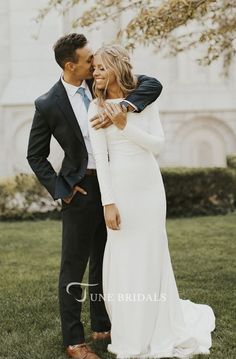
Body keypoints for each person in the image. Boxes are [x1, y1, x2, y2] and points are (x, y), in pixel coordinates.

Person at [27, 33, 163, 359]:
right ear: (70, 65)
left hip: (115, 186)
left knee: (106, 261)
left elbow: (153, 84)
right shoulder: (48, 103)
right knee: (73, 266)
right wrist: (62, 190)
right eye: (88, 60)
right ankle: (75, 341)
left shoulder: (100, 83)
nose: (95, 63)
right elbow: (35, 155)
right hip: (82, 189)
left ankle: (102, 325)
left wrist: (127, 106)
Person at [88, 44, 215, 359]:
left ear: (117, 67)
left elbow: (157, 145)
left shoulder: (143, 101)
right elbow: (102, 162)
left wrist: (124, 124)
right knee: (121, 260)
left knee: (151, 255)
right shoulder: (95, 108)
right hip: (119, 188)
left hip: (149, 188)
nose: (96, 73)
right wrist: (108, 202)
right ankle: (129, 333)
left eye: (102, 67)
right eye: (94, 69)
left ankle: (159, 328)